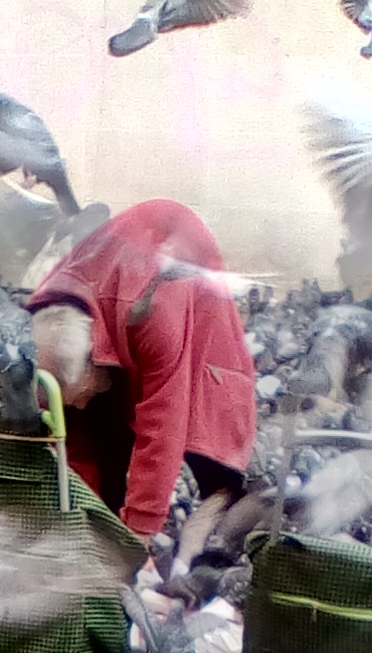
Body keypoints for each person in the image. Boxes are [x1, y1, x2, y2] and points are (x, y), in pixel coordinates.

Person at [26, 199, 257, 555]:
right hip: (114, 290)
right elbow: (67, 423)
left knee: (205, 412)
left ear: (94, 355)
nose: (79, 402)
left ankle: (222, 504)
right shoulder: (48, 305)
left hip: (172, 261)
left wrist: (138, 533)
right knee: (92, 421)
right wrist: (79, 514)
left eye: (78, 392)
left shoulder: (153, 310)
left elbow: (165, 422)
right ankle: (102, 513)